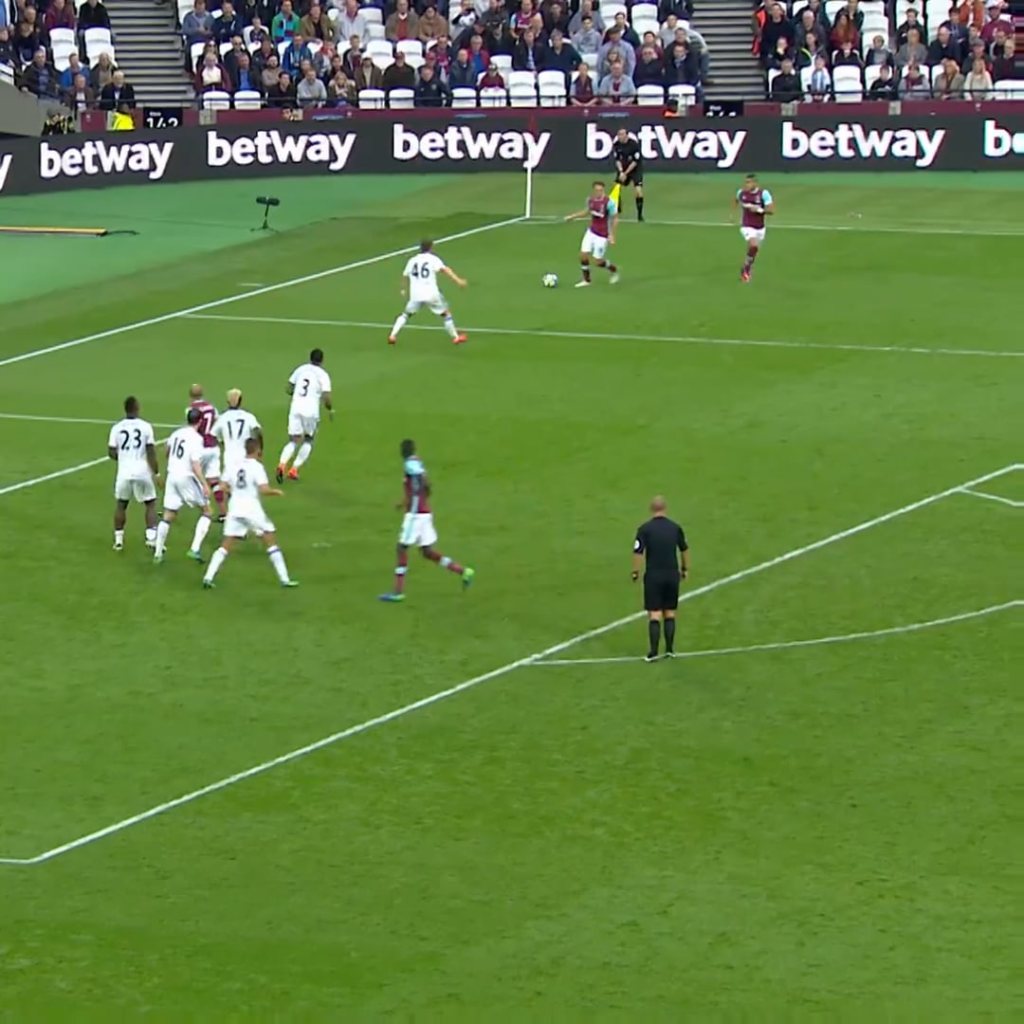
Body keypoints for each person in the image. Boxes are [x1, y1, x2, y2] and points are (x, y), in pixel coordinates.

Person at [378, 439, 475, 602]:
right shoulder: (418, 462)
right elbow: (421, 484)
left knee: (401, 548)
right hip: (424, 512)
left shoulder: (410, 464)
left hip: (415, 515)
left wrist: (419, 492)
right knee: (427, 552)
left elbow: (420, 478)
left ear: (403, 451)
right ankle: (463, 571)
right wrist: (407, 500)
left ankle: (398, 591)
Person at [203, 438, 297, 589]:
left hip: (235, 509)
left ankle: (208, 577)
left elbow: (221, 486)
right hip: (252, 509)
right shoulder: (257, 467)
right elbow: (264, 489)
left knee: (226, 545)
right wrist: (276, 492)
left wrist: (234, 491)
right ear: (257, 450)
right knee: (270, 540)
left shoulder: (234, 466)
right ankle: (285, 579)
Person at [154, 408, 214, 564]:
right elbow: (195, 464)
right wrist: (204, 484)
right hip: (186, 477)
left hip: (172, 476)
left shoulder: (176, 433)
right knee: (207, 511)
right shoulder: (196, 438)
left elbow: (166, 450)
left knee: (168, 514)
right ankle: (194, 549)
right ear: (200, 422)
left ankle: (158, 553)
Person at [632, 495, 689, 661]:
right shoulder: (675, 528)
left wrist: (635, 571)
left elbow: (638, 551)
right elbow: (684, 549)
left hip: (654, 575)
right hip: (672, 574)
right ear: (665, 508)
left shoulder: (645, 529)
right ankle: (670, 649)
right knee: (670, 613)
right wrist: (685, 568)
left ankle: (653, 652)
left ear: (652, 509)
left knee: (655, 614)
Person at [389, 239, 468, 346]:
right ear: (431, 248)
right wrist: (458, 281)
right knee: (446, 314)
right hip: (431, 293)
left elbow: (405, 276)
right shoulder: (433, 259)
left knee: (406, 314)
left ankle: (393, 335)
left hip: (415, 295)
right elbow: (445, 270)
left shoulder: (412, 260)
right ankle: (456, 337)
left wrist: (403, 289)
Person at [108, 395, 159, 551]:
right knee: (150, 503)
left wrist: (123, 457)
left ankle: (118, 541)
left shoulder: (116, 428)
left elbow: (111, 452)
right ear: (137, 408)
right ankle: (151, 538)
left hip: (124, 472)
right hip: (142, 471)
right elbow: (150, 451)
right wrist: (156, 473)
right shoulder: (146, 426)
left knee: (121, 505)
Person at [276, 348, 333, 482]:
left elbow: (288, 388)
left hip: (295, 407)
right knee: (308, 439)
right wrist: (329, 408)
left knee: (293, 440)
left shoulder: (301, 369)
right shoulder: (323, 375)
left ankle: (282, 464)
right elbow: (326, 396)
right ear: (322, 360)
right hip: (311, 411)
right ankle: (294, 469)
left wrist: (295, 394)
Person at [564, 180, 619, 288]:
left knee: (598, 262)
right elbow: (586, 211)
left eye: (601, 190)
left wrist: (612, 234)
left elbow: (616, 218)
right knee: (583, 255)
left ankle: (613, 270)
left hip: (602, 235)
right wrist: (572, 217)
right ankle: (587, 280)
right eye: (597, 190)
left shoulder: (609, 203)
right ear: (594, 190)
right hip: (591, 231)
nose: (599, 192)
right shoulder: (590, 200)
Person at [186, 384, 226, 519]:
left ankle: (202, 506)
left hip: (199, 447)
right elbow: (217, 422)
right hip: (213, 446)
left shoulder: (191, 409)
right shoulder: (211, 407)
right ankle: (223, 513)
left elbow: (191, 428)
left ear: (190, 395)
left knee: (191, 476)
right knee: (214, 481)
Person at [212, 388, 263, 486]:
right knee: (245, 484)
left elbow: (213, 434)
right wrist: (260, 448)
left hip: (229, 456)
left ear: (227, 402)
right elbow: (258, 432)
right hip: (245, 454)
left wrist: (221, 441)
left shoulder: (223, 417)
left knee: (229, 484)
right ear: (241, 401)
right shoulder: (248, 416)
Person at [733, 172, 774, 283]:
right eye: (746, 182)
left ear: (755, 183)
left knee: (754, 250)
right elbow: (736, 200)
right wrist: (732, 215)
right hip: (747, 226)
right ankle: (746, 269)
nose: (747, 185)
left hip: (760, 228)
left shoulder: (763, 194)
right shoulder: (741, 193)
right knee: (753, 245)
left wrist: (759, 210)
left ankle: (747, 266)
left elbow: (771, 210)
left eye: (749, 182)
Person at [612, 127, 645, 223]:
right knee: (616, 188)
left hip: (635, 169)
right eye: (619, 134)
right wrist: (621, 172)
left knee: (638, 191)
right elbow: (617, 160)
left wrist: (626, 173)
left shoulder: (634, 145)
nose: (620, 136)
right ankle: (617, 210)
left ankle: (640, 215)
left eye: (622, 134)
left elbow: (635, 162)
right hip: (623, 167)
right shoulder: (616, 145)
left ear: (626, 135)